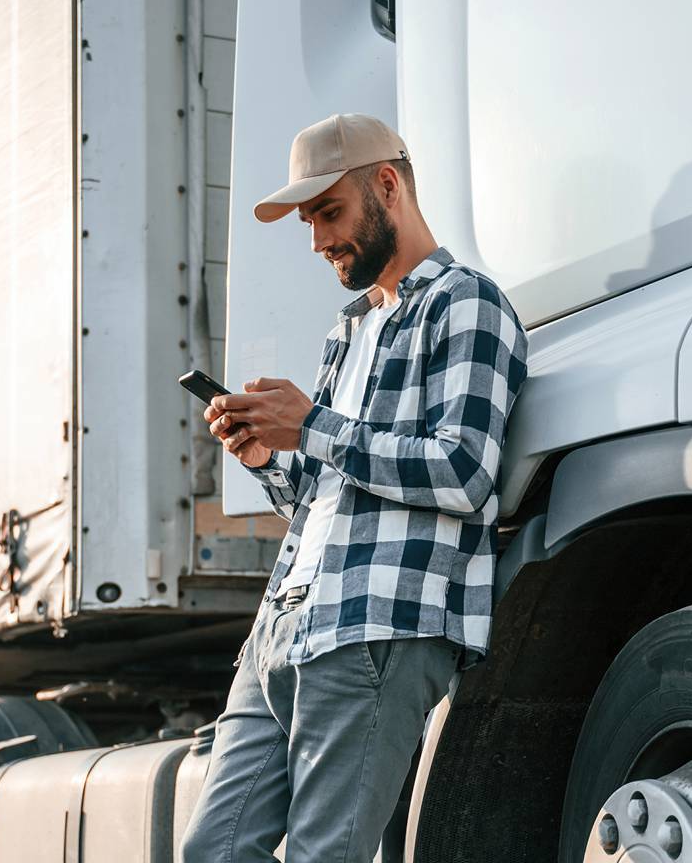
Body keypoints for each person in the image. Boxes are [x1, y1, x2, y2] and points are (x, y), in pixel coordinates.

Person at [180, 112, 528, 863]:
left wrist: (313, 426)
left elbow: (465, 474)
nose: (317, 241)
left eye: (328, 213)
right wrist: (266, 456)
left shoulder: (465, 304)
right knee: (209, 852)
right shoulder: (349, 330)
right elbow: (325, 495)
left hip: (376, 627)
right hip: (282, 628)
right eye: (309, 221)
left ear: (388, 185)